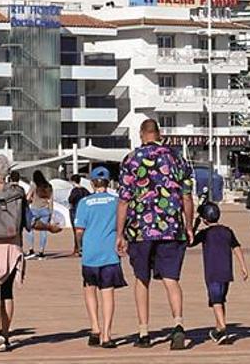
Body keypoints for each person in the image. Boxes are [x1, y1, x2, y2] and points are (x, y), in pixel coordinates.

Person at [0, 155, 60, 352]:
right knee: (7, 291)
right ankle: (5, 335)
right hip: (11, 245)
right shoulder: (18, 192)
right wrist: (49, 227)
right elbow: (29, 221)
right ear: (7, 174)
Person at [116, 119, 195, 350]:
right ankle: (178, 325)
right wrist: (188, 225)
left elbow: (123, 200)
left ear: (142, 135)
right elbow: (187, 197)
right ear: (159, 134)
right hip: (172, 228)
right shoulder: (177, 158)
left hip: (140, 229)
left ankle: (144, 332)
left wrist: (119, 233)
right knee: (171, 279)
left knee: (142, 279)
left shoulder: (131, 159)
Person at [75, 167, 126, 349]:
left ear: (92, 182)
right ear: (108, 182)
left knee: (90, 289)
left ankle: (95, 327)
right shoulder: (116, 202)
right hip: (109, 252)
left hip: (90, 253)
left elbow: (79, 230)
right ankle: (107, 334)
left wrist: (80, 246)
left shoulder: (84, 202)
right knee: (108, 293)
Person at [191, 202, 248, 344]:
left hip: (212, 272)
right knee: (220, 300)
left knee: (216, 300)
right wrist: (243, 266)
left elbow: (189, 242)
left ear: (205, 219)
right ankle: (218, 329)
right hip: (226, 272)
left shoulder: (205, 233)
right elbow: (236, 247)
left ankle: (222, 327)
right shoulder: (227, 231)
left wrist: (195, 225)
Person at [24, 170, 54, 260]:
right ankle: (41, 252)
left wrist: (26, 203)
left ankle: (31, 249)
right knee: (43, 231)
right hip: (45, 210)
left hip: (34, 209)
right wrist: (51, 212)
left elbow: (28, 197)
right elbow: (51, 200)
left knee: (30, 229)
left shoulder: (34, 185)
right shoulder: (49, 186)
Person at [68, 174, 90, 256]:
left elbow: (70, 200)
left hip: (75, 211)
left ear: (73, 181)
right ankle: (84, 247)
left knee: (76, 231)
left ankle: (77, 248)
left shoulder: (74, 190)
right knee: (85, 231)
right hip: (85, 212)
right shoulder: (85, 190)